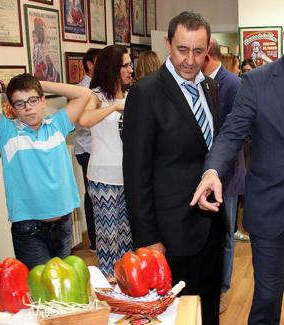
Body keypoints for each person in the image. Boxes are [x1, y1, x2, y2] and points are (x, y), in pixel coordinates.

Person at [191, 3, 284, 324]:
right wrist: (213, 169)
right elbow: (231, 133)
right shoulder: (257, 81)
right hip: (271, 206)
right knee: (268, 296)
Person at [122, 11, 224, 325]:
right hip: (169, 233)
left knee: (206, 310)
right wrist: (149, 240)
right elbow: (136, 175)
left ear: (208, 49)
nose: (190, 60)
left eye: (198, 51)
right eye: (182, 49)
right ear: (168, 43)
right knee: (172, 316)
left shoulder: (210, 87)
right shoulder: (146, 93)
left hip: (210, 226)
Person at [0, 74, 91, 269]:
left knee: (64, 287)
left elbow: (84, 93)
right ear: (12, 108)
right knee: (40, 290)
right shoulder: (7, 131)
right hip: (29, 229)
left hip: (64, 223)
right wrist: (3, 85)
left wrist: (40, 84)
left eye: (33, 100)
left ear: (43, 101)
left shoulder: (58, 124)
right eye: (20, 103)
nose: (28, 107)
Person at [78, 45, 134, 277]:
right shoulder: (96, 95)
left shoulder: (133, 94)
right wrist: (113, 107)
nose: (131, 69)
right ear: (113, 68)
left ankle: (129, 288)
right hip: (103, 179)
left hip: (129, 177)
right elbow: (83, 119)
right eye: (126, 65)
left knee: (129, 239)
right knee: (109, 239)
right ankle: (111, 293)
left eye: (131, 64)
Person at [202, 39, 246, 314]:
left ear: (207, 55)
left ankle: (223, 290)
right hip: (204, 174)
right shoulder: (198, 82)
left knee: (226, 235)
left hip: (227, 176)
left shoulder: (232, 84)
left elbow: (234, 136)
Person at [74, 48, 99, 252]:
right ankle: (94, 241)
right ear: (89, 64)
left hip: (101, 149)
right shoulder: (83, 90)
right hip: (87, 150)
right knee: (92, 196)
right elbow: (81, 123)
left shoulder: (101, 87)